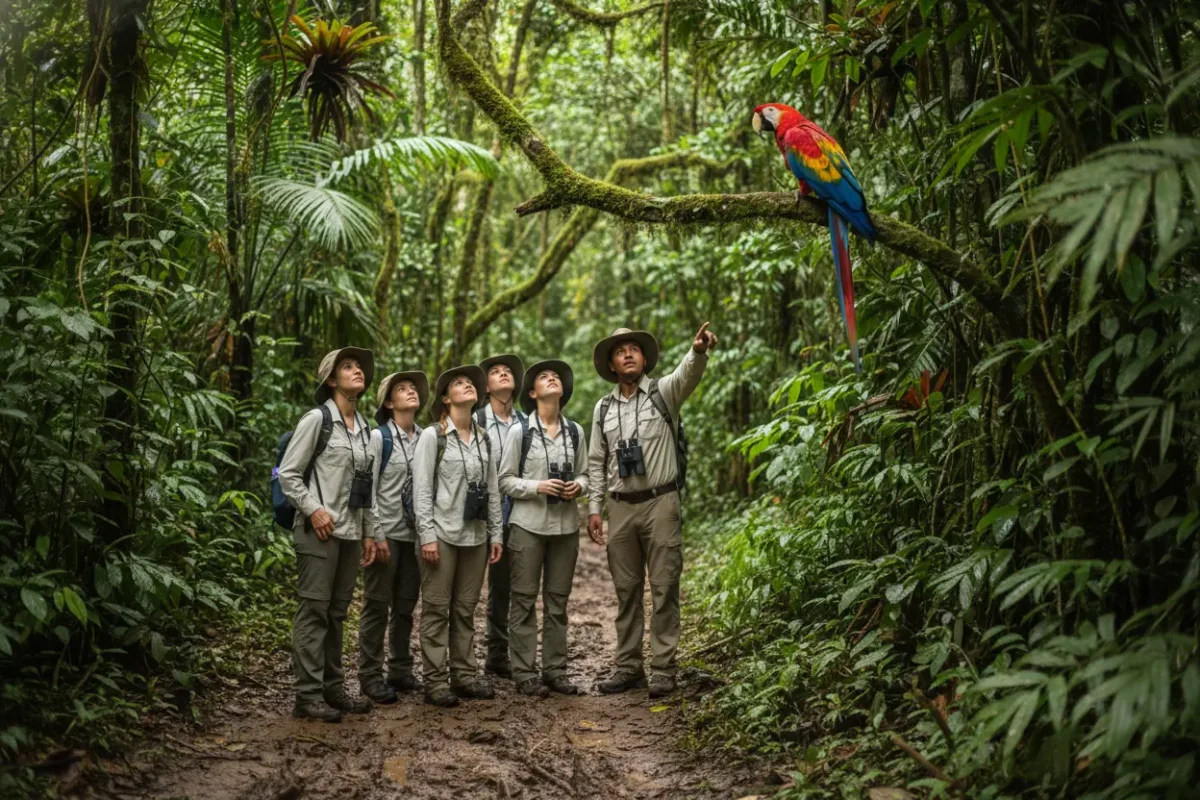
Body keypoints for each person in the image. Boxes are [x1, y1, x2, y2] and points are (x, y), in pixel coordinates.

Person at [587, 324, 718, 699]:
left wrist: (697, 351)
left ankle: (663, 669)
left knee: (664, 585)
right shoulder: (603, 408)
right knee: (626, 590)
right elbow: (596, 461)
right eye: (620, 351)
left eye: (634, 349)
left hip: (661, 502)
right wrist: (594, 508)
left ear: (644, 359)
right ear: (611, 365)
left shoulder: (664, 392)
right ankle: (628, 667)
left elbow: (688, 373)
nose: (627, 354)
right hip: (620, 507)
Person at [278, 347, 381, 722]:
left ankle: (332, 688)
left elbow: (365, 488)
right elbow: (288, 474)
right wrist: (314, 509)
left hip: (350, 533)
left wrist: (369, 532)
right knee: (314, 611)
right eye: (347, 367)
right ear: (332, 380)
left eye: (359, 367)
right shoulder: (317, 420)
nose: (357, 371)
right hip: (317, 532)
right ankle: (307, 695)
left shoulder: (366, 429)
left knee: (337, 613)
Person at [412, 365, 504, 707]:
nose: (467, 386)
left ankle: (464, 675)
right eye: (459, 383)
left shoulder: (484, 438)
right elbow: (422, 490)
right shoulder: (432, 437)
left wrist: (496, 534)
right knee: (437, 609)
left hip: (475, 536)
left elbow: (492, 489)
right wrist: (427, 536)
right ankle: (435, 681)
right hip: (441, 534)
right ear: (446, 399)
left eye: (471, 383)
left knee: (465, 609)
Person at [498, 360, 588, 697]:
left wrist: (579, 486)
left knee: (557, 602)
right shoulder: (520, 432)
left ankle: (556, 671)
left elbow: (585, 473)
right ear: (533, 393)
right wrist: (538, 486)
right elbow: (504, 480)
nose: (552, 379)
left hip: (565, 527)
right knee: (523, 600)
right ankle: (524, 673)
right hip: (527, 526)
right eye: (543, 377)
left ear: (563, 391)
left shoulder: (575, 431)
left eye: (556, 377)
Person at [358, 370, 429, 704]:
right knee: (377, 605)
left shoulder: (427, 437)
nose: (411, 391)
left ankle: (400, 670)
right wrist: (375, 533)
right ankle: (370, 675)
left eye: (413, 388)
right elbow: (368, 488)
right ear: (388, 403)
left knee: (405, 606)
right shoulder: (379, 437)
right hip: (386, 533)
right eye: (402, 389)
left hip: (415, 535)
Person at [474, 353, 525, 679]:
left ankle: (498, 653)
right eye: (495, 371)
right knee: (466, 586)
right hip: (477, 510)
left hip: (517, 509)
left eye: (508, 371)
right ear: (486, 386)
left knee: (505, 583)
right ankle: (460, 659)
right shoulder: (475, 420)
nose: (503, 374)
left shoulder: (527, 422)